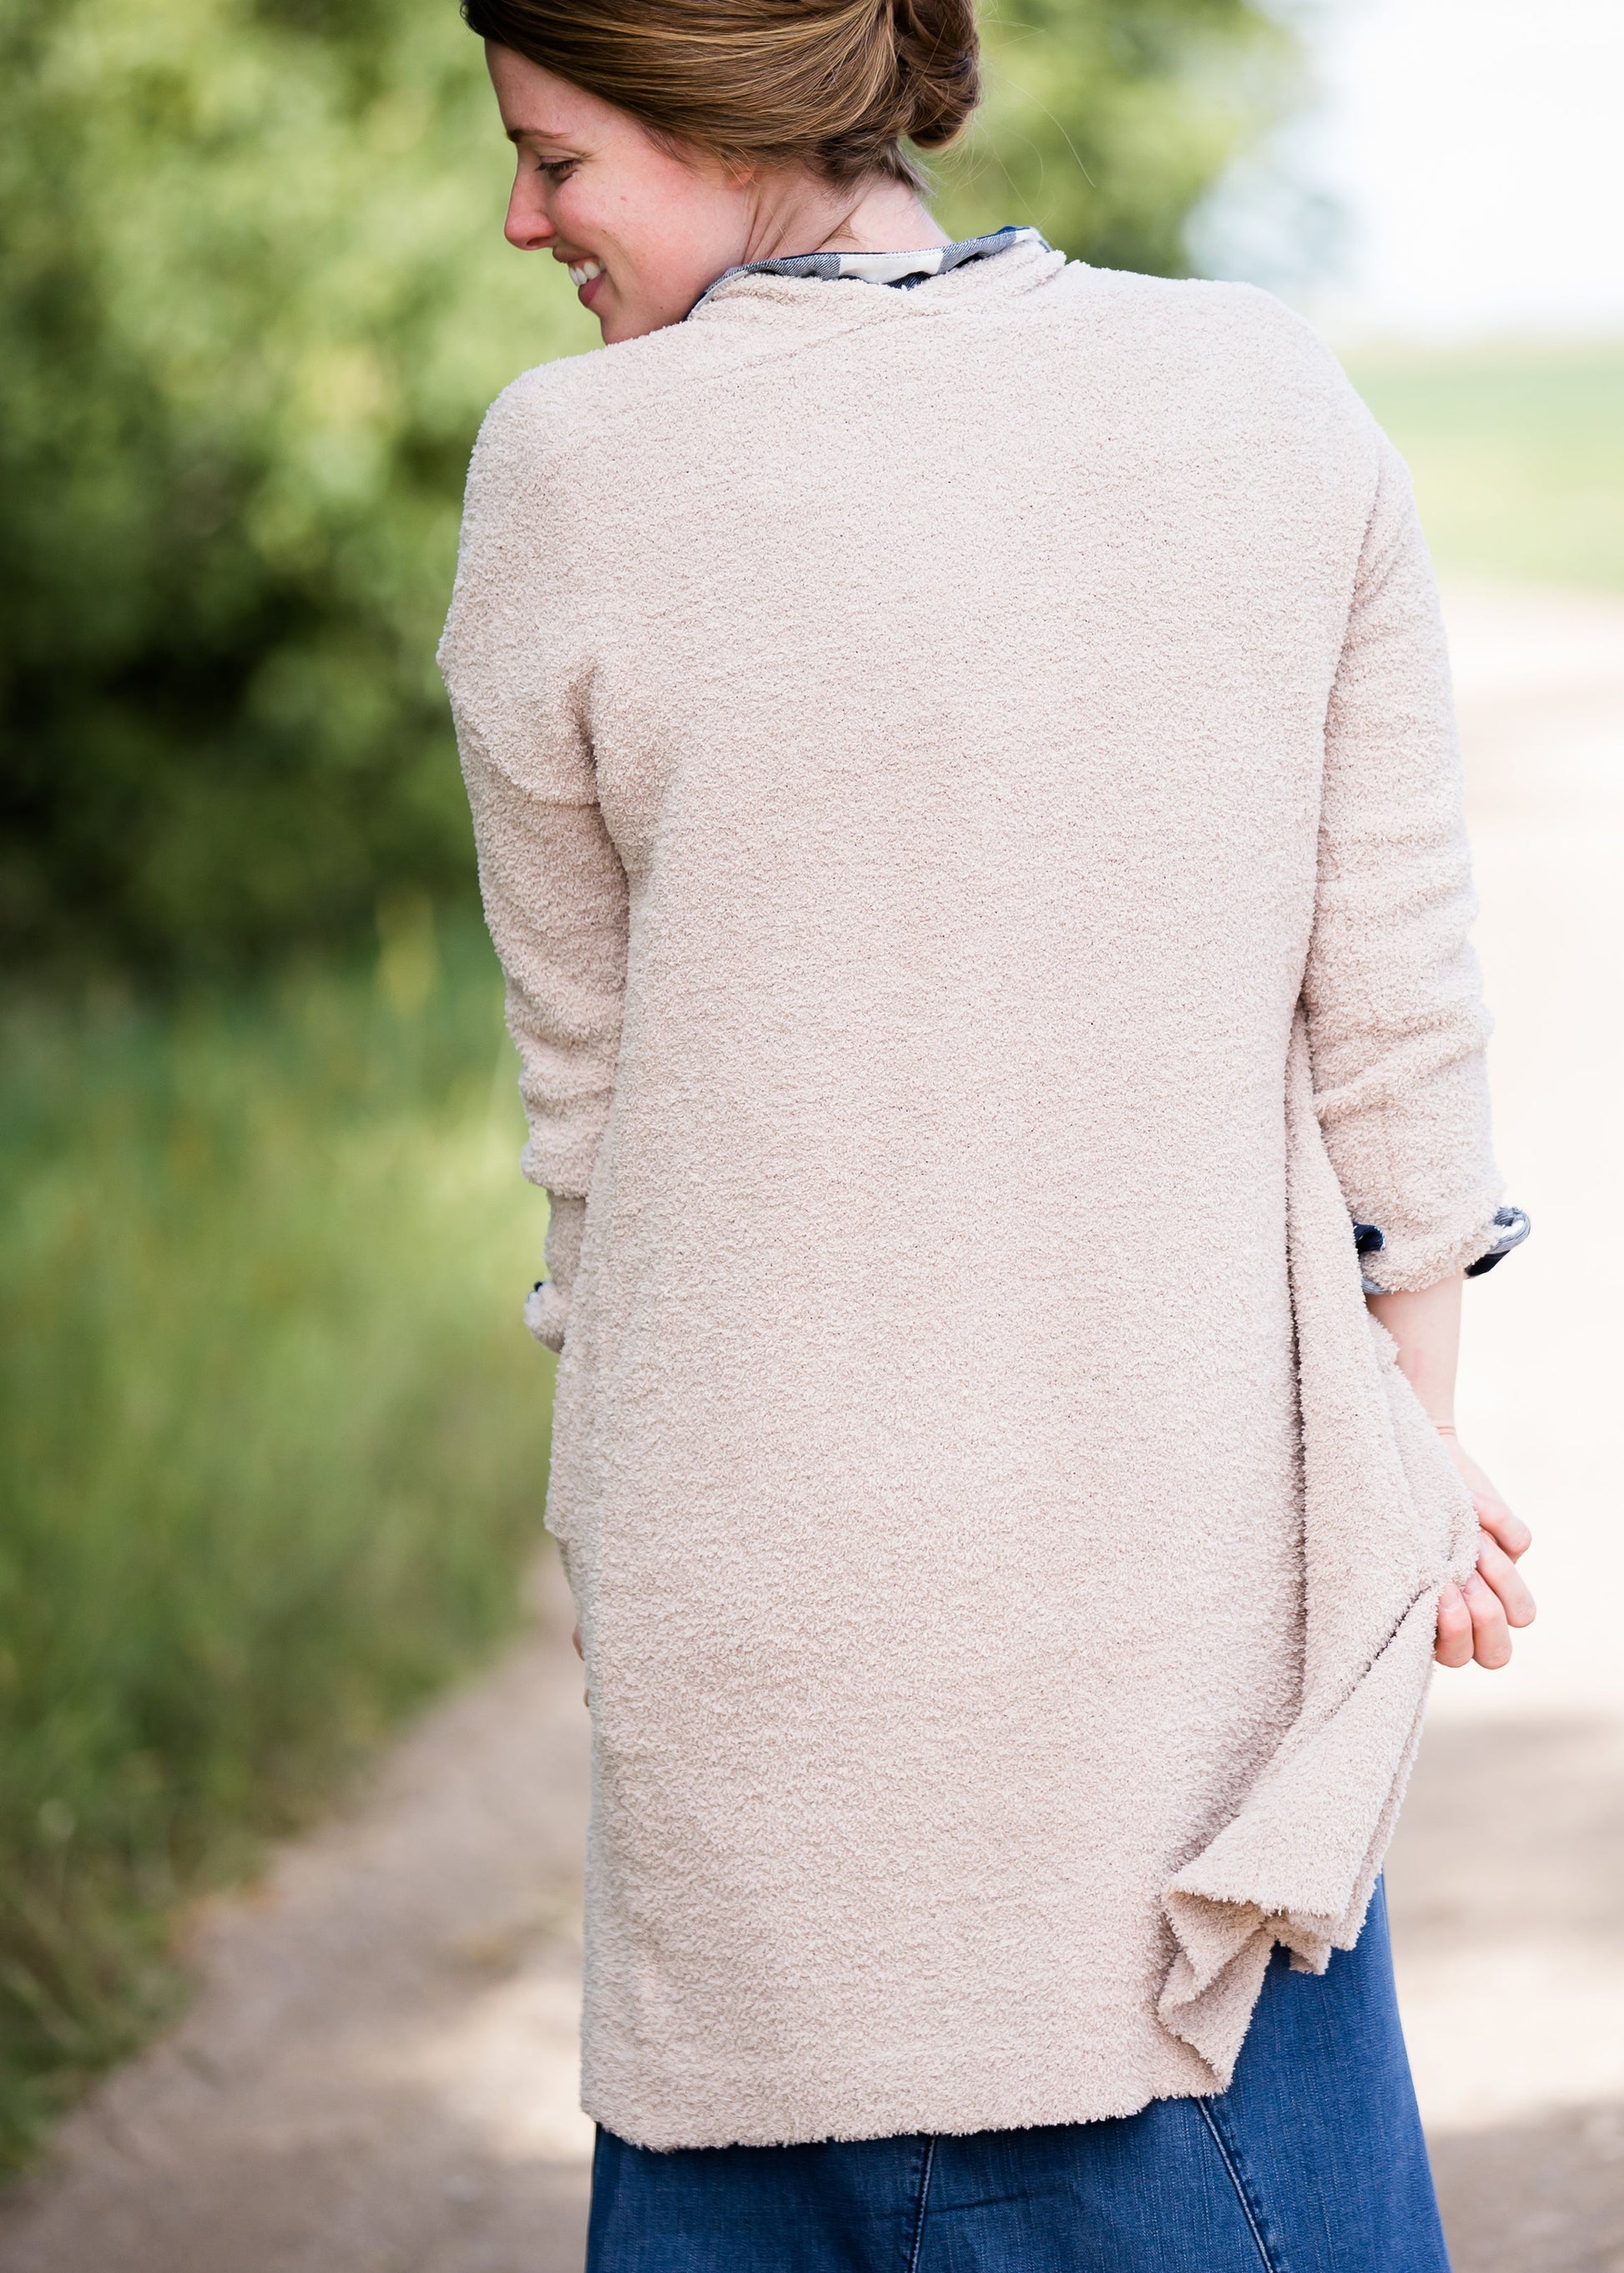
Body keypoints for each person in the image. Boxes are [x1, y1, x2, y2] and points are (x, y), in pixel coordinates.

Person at [437, 3, 1536, 2264]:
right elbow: (1397, 1046)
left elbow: (593, 1125)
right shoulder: (1262, 398)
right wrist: (1391, 1473)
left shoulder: (571, 468)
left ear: (726, 113)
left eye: (557, 158)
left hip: (748, 1664)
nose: (521, 214)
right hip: (1168, 1662)